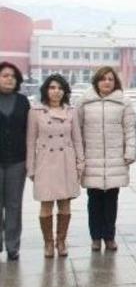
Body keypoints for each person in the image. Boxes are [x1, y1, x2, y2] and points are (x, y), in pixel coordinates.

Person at [78, 66, 136, 252]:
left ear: (115, 82)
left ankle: (109, 237)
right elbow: (77, 131)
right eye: (103, 79)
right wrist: (79, 156)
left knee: (111, 201)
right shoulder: (84, 102)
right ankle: (95, 237)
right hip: (92, 159)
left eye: (110, 79)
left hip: (115, 159)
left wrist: (130, 152)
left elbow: (130, 130)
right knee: (94, 201)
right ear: (96, 81)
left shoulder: (123, 103)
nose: (107, 82)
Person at [26, 75, 85, 258]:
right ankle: (48, 243)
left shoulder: (71, 111)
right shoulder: (36, 111)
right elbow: (30, 141)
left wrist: (80, 162)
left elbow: (77, 139)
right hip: (45, 161)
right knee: (46, 205)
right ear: (46, 90)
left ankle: (61, 241)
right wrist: (31, 167)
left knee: (65, 204)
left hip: (66, 160)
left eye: (60, 88)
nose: (56, 91)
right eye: (52, 87)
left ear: (65, 91)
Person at [0, 62, 30, 261]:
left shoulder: (23, 101)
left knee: (14, 204)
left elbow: (29, 131)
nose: (9, 78)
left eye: (13, 75)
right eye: (4, 75)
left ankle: (12, 246)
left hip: (17, 161)